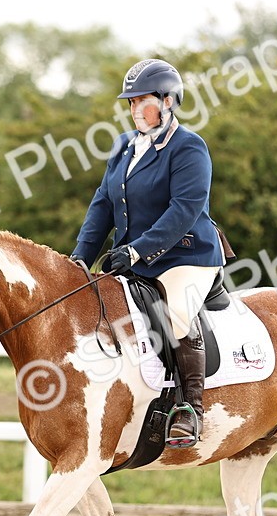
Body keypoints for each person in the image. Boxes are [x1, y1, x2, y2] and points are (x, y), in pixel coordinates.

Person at [70, 58, 225, 448]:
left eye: (143, 101)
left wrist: (138, 251)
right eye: (131, 102)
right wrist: (79, 258)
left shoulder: (189, 147)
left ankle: (190, 409)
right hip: (133, 257)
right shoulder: (124, 146)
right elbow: (102, 205)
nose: (135, 109)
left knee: (175, 314)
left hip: (185, 256)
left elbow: (184, 209)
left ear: (168, 101)